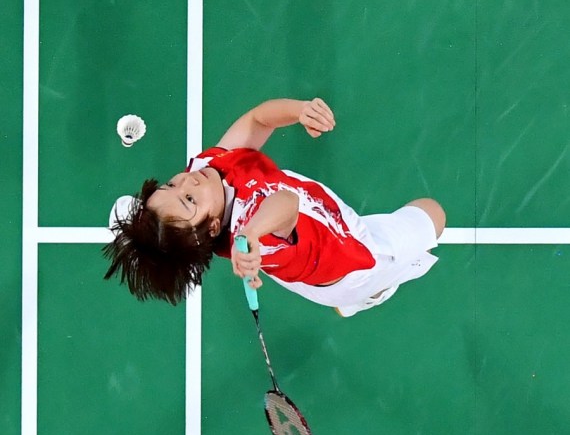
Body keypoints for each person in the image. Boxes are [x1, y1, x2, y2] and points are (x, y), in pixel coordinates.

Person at [103, 97, 445, 316]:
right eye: (189, 200)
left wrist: (300, 112)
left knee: (327, 283)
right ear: (210, 228)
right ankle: (367, 295)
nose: (187, 182)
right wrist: (253, 232)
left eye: (171, 184)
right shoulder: (255, 232)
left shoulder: (207, 171)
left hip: (318, 247)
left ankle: (345, 301)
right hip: (355, 258)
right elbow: (287, 204)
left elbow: (257, 121)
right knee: (433, 213)